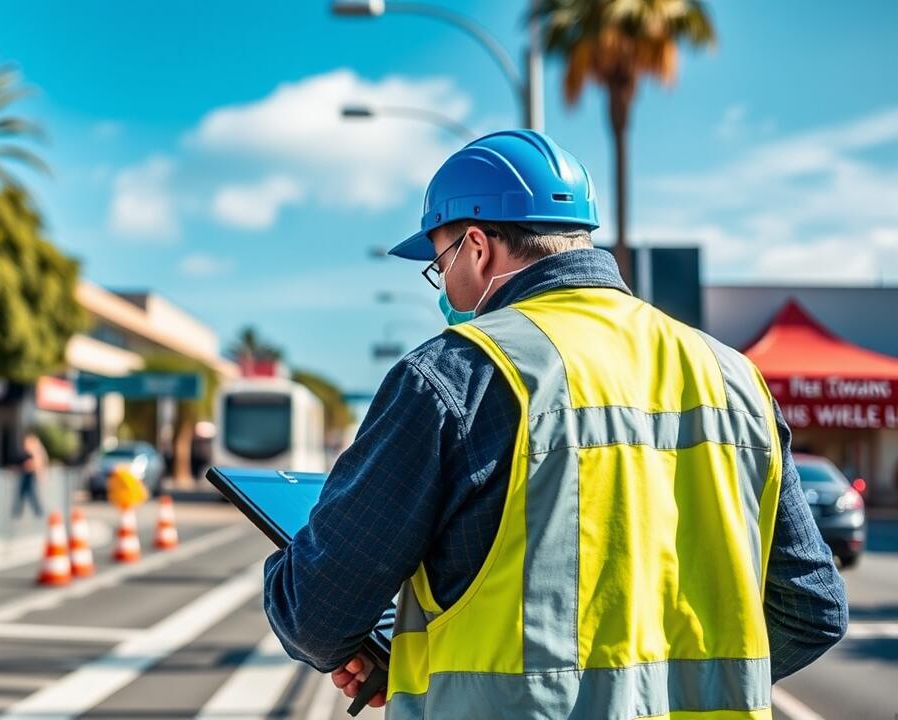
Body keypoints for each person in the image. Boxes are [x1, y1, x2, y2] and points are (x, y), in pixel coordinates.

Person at [262, 130, 847, 718]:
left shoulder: (454, 375)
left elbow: (316, 613)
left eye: (439, 265)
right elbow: (812, 610)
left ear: (476, 247)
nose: (443, 288)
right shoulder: (733, 378)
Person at [11, 432, 47, 519]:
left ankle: (39, 514)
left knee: (32, 497)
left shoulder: (34, 454)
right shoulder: (27, 455)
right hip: (27, 477)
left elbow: (35, 466)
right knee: (22, 496)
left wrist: (26, 467)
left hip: (31, 478)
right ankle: (17, 513)